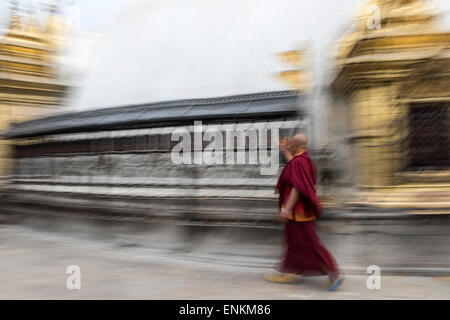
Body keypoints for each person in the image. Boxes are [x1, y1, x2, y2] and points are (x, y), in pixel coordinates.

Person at [264, 133, 343, 291]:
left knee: (310, 243)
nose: (290, 147)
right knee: (293, 243)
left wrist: (286, 209)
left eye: (291, 145)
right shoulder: (303, 160)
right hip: (299, 213)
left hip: (299, 213)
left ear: (296, 146)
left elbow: (297, 187)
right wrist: (284, 151)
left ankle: (333, 274)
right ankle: (290, 271)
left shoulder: (301, 161)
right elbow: (295, 170)